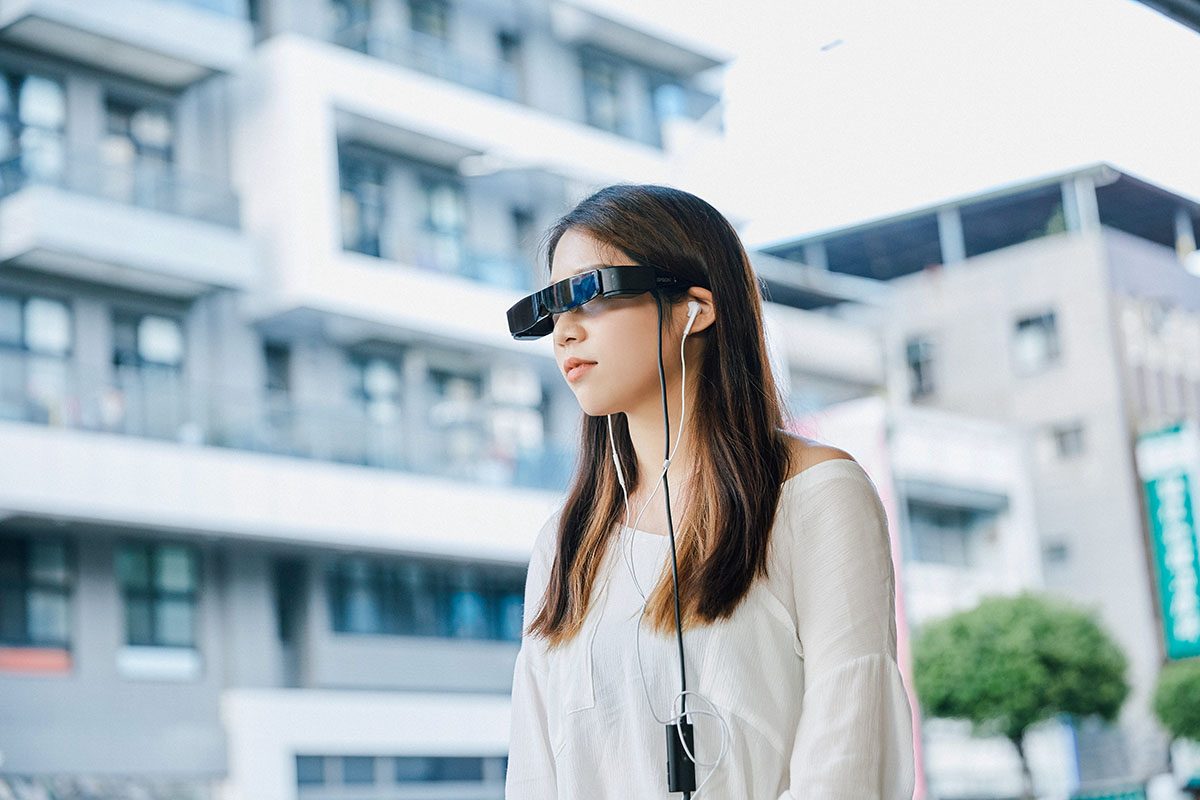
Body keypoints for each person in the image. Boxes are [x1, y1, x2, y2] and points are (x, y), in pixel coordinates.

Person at [504, 184, 915, 799]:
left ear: (696, 307)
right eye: (552, 309)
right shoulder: (564, 544)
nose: (564, 333)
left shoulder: (815, 496)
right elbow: (535, 774)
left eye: (588, 294)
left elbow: (848, 758)